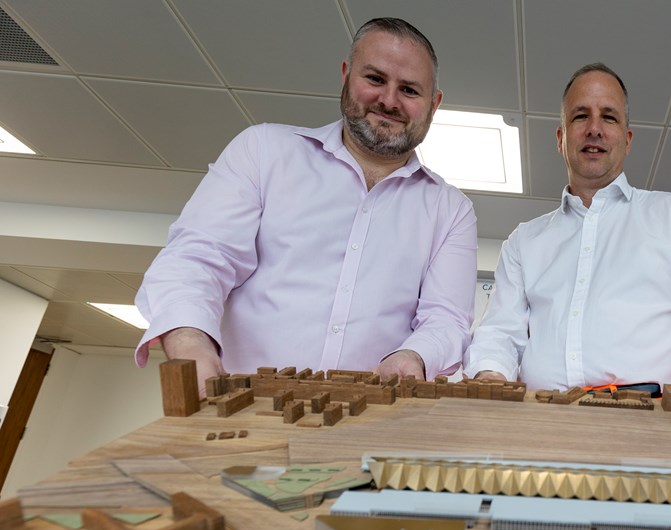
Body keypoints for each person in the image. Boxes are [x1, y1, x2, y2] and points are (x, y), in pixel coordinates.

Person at [134, 18, 477, 392]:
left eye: (409, 90)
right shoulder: (264, 150)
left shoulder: (451, 209)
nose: (389, 100)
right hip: (242, 408)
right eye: (375, 79)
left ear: (434, 104)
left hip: (375, 424)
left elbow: (447, 319)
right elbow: (198, 258)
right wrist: (191, 341)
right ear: (346, 75)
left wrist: (415, 356)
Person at [464, 63, 671, 401]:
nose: (594, 129)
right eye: (580, 116)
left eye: (609, 117)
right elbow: (499, 332)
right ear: (560, 138)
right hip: (542, 425)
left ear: (627, 140)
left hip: (650, 426)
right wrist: (491, 371)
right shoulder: (524, 241)